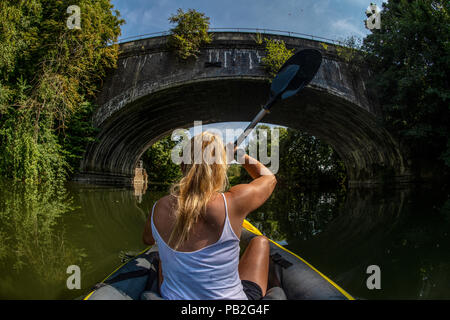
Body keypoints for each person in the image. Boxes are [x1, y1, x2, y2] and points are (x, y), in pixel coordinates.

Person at [142, 131, 277, 300]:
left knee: (162, 258)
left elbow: (148, 240)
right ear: (221, 167)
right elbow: (269, 178)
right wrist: (238, 154)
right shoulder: (233, 202)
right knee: (260, 242)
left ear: (182, 165)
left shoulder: (158, 208)